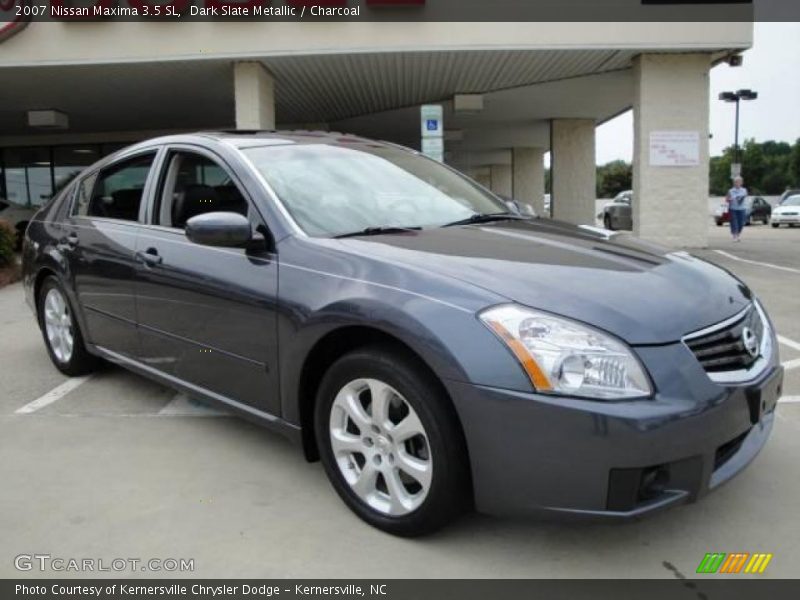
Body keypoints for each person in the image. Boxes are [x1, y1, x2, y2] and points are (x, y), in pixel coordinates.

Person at [726, 176, 748, 242]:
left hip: (742, 208)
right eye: (736, 182)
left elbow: (745, 197)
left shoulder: (744, 190)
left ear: (741, 183)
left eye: (739, 182)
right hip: (733, 208)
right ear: (734, 183)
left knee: (741, 223)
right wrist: (730, 199)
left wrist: (740, 198)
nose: (737, 183)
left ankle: (738, 234)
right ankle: (734, 235)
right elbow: (727, 199)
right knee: (734, 222)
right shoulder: (730, 191)